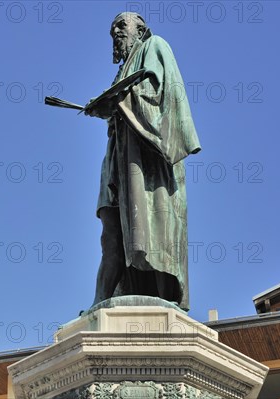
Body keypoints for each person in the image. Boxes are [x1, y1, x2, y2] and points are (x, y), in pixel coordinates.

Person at [86, 12, 201, 311]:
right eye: (113, 30)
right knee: (111, 230)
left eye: (122, 26)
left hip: (148, 164)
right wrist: (109, 107)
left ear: (142, 29)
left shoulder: (155, 46)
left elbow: (161, 97)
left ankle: (160, 291)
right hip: (119, 161)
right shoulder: (123, 68)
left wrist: (117, 101)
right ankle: (102, 301)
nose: (117, 32)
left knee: (151, 228)